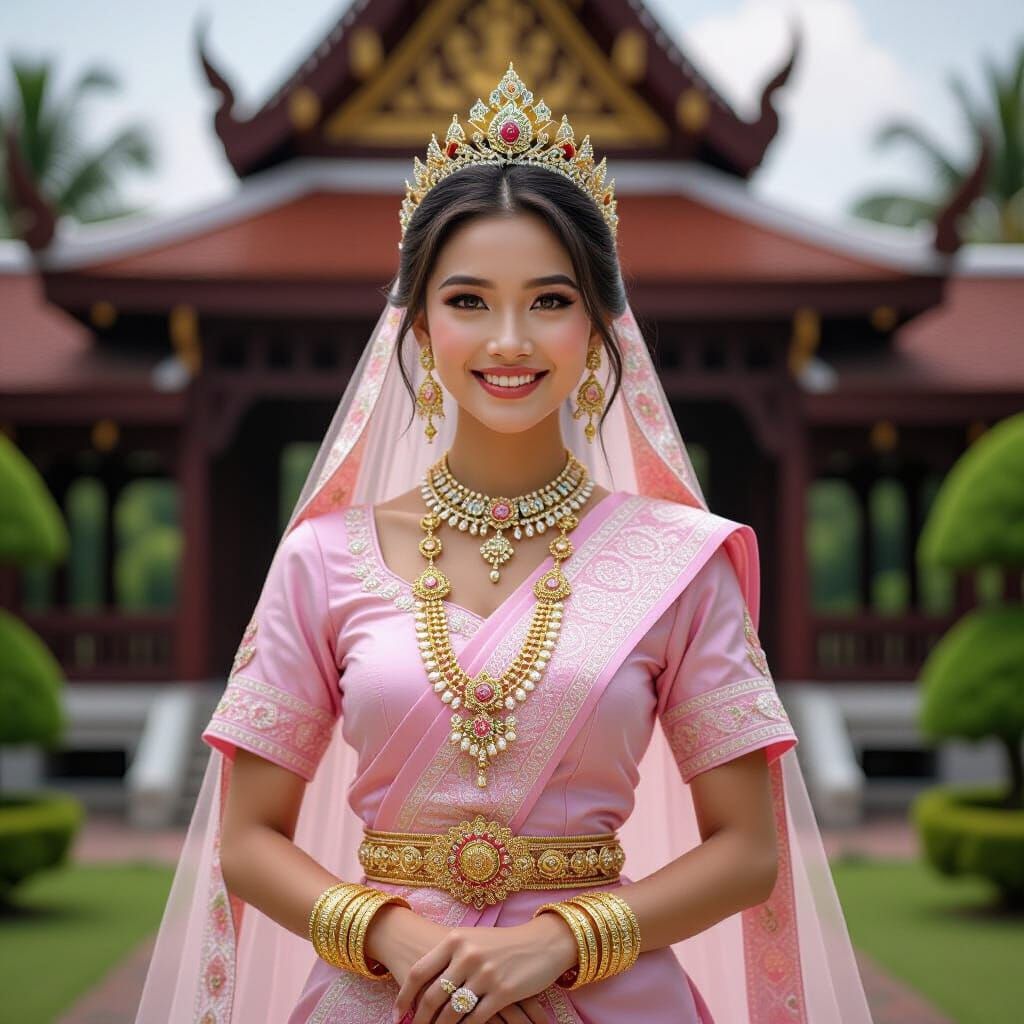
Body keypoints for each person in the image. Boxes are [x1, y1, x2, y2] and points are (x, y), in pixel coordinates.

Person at [135, 64, 873, 1024]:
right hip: (380, 995)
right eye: (470, 301)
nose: (511, 340)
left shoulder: (681, 564)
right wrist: (387, 933)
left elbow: (745, 853)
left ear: (602, 327)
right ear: (419, 323)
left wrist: (558, 943)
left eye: (552, 301)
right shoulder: (322, 559)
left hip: (608, 998)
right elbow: (246, 838)